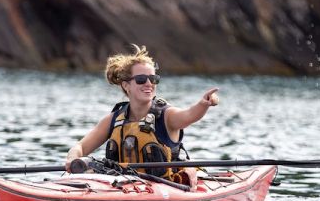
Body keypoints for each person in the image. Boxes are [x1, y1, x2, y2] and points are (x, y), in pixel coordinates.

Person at [64, 45, 219, 186]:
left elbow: (189, 115)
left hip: (164, 188)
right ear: (126, 85)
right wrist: (72, 158)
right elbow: (81, 147)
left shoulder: (166, 116)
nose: (148, 84)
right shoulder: (113, 120)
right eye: (141, 79)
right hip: (121, 186)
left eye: (153, 79)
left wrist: (203, 104)